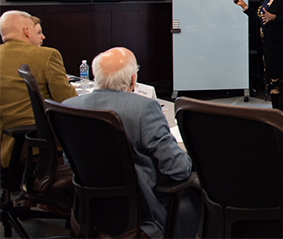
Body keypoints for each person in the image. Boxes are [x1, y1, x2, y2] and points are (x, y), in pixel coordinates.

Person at [62, 47, 201, 238]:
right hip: (141, 216)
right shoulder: (144, 109)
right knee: (195, 189)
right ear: (134, 80)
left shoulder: (69, 106)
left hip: (87, 213)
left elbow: (69, 161)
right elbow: (178, 169)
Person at [0, 10, 77, 169]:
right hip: (34, 146)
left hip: (6, 145)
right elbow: (68, 102)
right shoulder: (47, 55)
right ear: (27, 31)